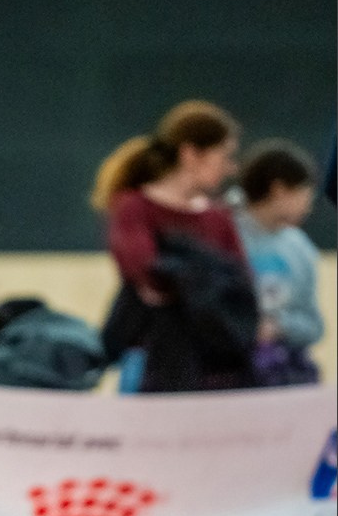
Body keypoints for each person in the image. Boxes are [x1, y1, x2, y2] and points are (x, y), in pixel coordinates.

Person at [92, 100, 258, 393]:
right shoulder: (136, 207)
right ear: (190, 153)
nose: (230, 168)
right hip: (152, 357)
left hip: (213, 365)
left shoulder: (218, 217)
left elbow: (241, 285)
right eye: (224, 156)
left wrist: (189, 283)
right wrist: (203, 285)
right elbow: (147, 275)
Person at [231, 139, 324, 386]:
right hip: (228, 370)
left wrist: (278, 328)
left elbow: (314, 326)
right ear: (279, 189)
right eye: (305, 193)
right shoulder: (222, 233)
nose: (309, 205)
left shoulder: (299, 247)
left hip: (282, 374)